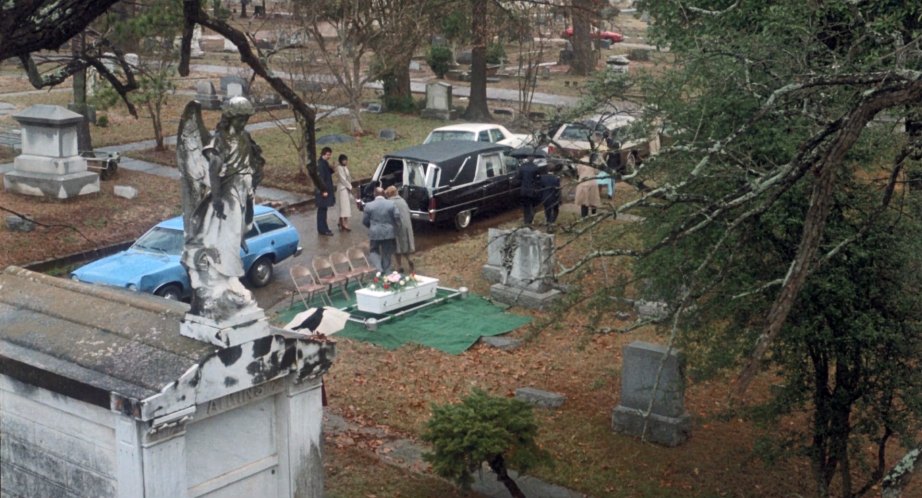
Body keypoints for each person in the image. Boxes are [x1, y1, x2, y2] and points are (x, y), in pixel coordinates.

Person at [177, 96, 264, 320]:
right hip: (228, 191)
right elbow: (214, 171)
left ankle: (228, 276)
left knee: (239, 231)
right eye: (241, 118)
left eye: (246, 118)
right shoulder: (219, 140)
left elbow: (252, 162)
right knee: (230, 234)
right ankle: (228, 275)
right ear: (230, 117)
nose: (244, 122)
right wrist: (216, 198)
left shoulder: (245, 137)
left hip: (243, 190)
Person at [362, 187, 400, 274]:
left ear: (374, 194)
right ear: (384, 194)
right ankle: (387, 272)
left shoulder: (369, 205)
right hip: (388, 232)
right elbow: (397, 217)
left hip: (374, 232)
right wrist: (394, 227)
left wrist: (372, 227)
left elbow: (365, 221)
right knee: (387, 252)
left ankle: (379, 268)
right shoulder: (391, 204)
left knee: (373, 250)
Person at [385, 185, 415, 273]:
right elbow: (409, 212)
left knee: (396, 247)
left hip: (396, 227)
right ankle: (409, 259)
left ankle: (399, 266)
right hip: (407, 226)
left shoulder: (389, 203)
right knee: (406, 246)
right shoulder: (403, 201)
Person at [315, 146, 335, 236]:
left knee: (323, 210)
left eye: (330, 155)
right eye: (328, 155)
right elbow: (321, 179)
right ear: (324, 154)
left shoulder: (324, 163)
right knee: (322, 211)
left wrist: (332, 169)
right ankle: (323, 229)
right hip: (322, 192)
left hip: (324, 191)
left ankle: (323, 228)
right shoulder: (320, 164)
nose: (329, 156)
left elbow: (327, 174)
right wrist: (323, 191)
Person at [516, 153, 541, 225]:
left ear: (527, 158)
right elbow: (538, 179)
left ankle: (526, 221)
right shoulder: (536, 167)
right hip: (532, 190)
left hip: (524, 190)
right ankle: (530, 220)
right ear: (533, 158)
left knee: (526, 206)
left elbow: (518, 178)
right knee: (533, 205)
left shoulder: (522, 167)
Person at [335, 154, 354, 231]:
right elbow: (343, 179)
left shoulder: (345, 167)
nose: (345, 161)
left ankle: (341, 222)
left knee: (345, 207)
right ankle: (344, 223)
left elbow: (348, 177)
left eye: (346, 160)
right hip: (342, 189)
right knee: (344, 207)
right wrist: (350, 186)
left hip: (346, 188)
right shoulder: (339, 168)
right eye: (343, 160)